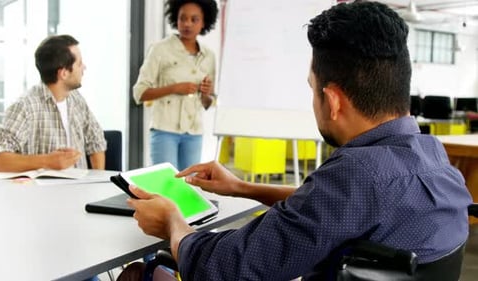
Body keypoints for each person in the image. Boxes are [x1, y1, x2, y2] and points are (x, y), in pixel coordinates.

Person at [121, 1, 472, 280]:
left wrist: (172, 223)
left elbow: (226, 267)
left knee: (143, 274)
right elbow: (334, 209)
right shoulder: (433, 160)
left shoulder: (355, 175)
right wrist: (245, 188)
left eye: (311, 88)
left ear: (333, 101)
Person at [0, 35, 106, 173]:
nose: (84, 68)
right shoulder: (25, 107)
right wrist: (47, 161)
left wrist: (98, 179)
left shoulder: (76, 99)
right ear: (64, 73)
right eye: (79, 64)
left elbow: (96, 141)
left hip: (82, 190)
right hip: (43, 192)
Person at [132, 0, 218, 171]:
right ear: (175, 19)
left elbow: (208, 103)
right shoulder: (159, 49)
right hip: (164, 130)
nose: (187, 24)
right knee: (165, 184)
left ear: (204, 22)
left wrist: (206, 94)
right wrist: (174, 88)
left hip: (194, 133)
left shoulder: (209, 56)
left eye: (194, 19)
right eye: (182, 18)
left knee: (189, 185)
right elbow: (139, 93)